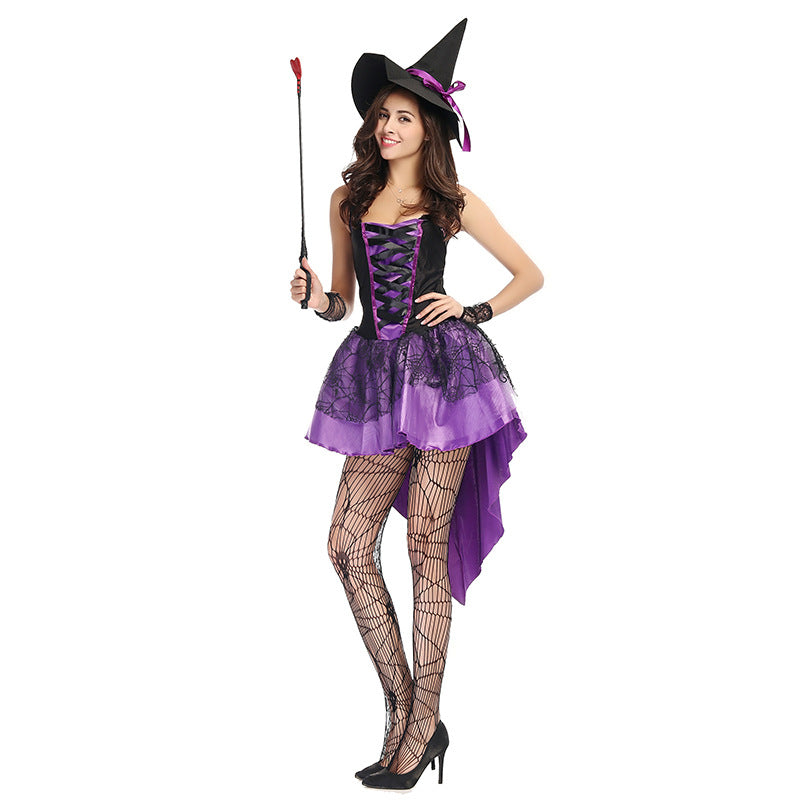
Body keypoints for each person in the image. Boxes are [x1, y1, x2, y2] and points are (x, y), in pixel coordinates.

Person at [289, 18, 543, 790]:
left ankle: (421, 718)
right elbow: (344, 300)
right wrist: (317, 300)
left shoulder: (451, 200)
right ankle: (405, 704)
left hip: (442, 378)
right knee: (345, 545)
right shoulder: (348, 199)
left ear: (429, 127)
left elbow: (530, 274)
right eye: (382, 114)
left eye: (403, 115)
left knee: (424, 545)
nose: (388, 126)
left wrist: (474, 310)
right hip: (374, 377)